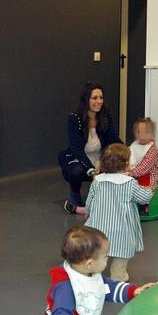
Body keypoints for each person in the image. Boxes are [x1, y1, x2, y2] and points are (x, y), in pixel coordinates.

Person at [84, 144, 151, 282]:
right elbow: (144, 197)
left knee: (98, 252)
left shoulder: (97, 182)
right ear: (126, 165)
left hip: (99, 227)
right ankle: (118, 277)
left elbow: (89, 202)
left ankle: (94, 275)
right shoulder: (129, 183)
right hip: (122, 229)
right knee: (121, 255)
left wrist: (89, 212)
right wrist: (150, 190)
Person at [59, 82, 122, 215]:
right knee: (76, 171)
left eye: (101, 97)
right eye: (94, 98)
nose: (99, 101)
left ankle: (107, 201)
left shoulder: (105, 115)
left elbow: (113, 138)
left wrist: (127, 151)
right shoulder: (74, 118)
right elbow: (76, 149)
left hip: (100, 158)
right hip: (80, 159)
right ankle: (75, 192)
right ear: (86, 99)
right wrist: (92, 170)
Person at [128, 117, 158, 216]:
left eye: (146, 132)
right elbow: (128, 157)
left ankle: (144, 206)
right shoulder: (134, 146)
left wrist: (132, 173)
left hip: (148, 175)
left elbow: (145, 166)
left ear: (152, 134)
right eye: (138, 132)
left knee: (146, 189)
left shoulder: (152, 150)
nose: (142, 136)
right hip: (134, 174)